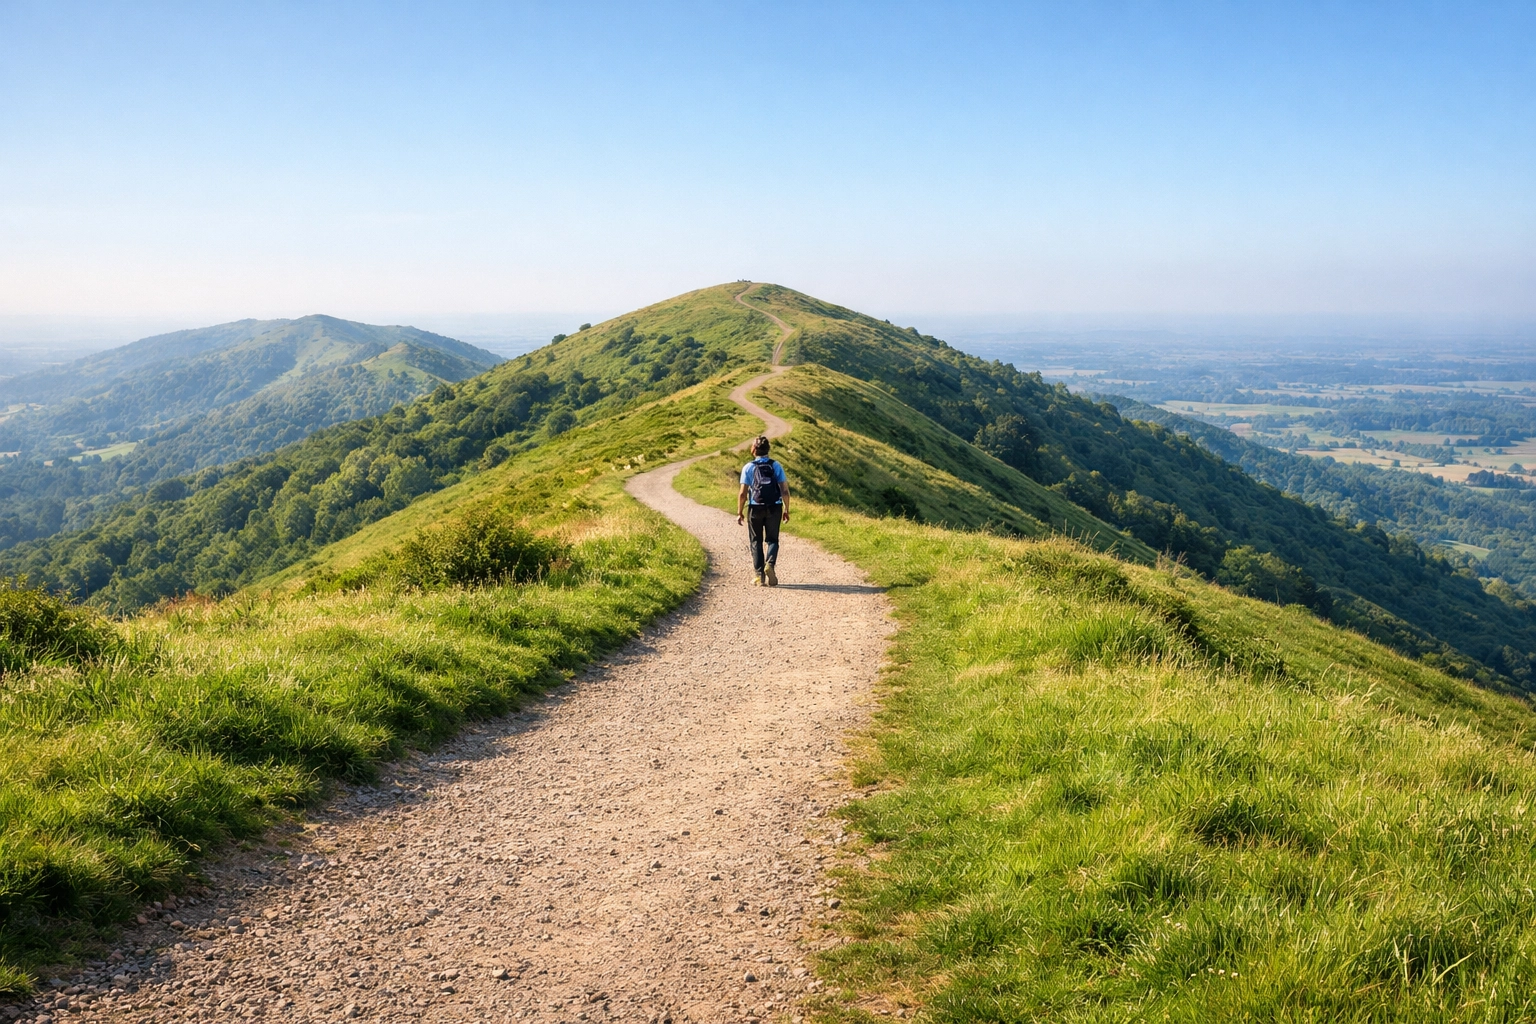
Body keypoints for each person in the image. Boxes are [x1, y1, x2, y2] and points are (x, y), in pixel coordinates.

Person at [736, 435, 789, 586]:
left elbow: (742, 494)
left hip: (755, 508)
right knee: (773, 539)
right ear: (768, 450)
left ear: (753, 450)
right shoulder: (776, 466)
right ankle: (770, 565)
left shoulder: (748, 467)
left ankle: (759, 576)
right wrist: (786, 509)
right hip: (774, 506)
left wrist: (739, 512)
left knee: (756, 541)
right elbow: (784, 490)